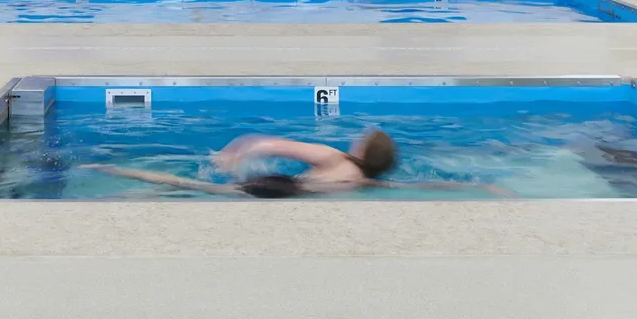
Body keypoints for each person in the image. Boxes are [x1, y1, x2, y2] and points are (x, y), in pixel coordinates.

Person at [83, 129, 503, 198]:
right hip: (290, 193)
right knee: (197, 192)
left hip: (278, 188)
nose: (353, 139)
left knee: (193, 187)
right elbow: (417, 187)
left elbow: (277, 144)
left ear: (361, 151)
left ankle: (115, 173)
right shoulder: (362, 181)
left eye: (359, 139)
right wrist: (478, 186)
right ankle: (132, 187)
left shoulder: (334, 158)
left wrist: (240, 150)